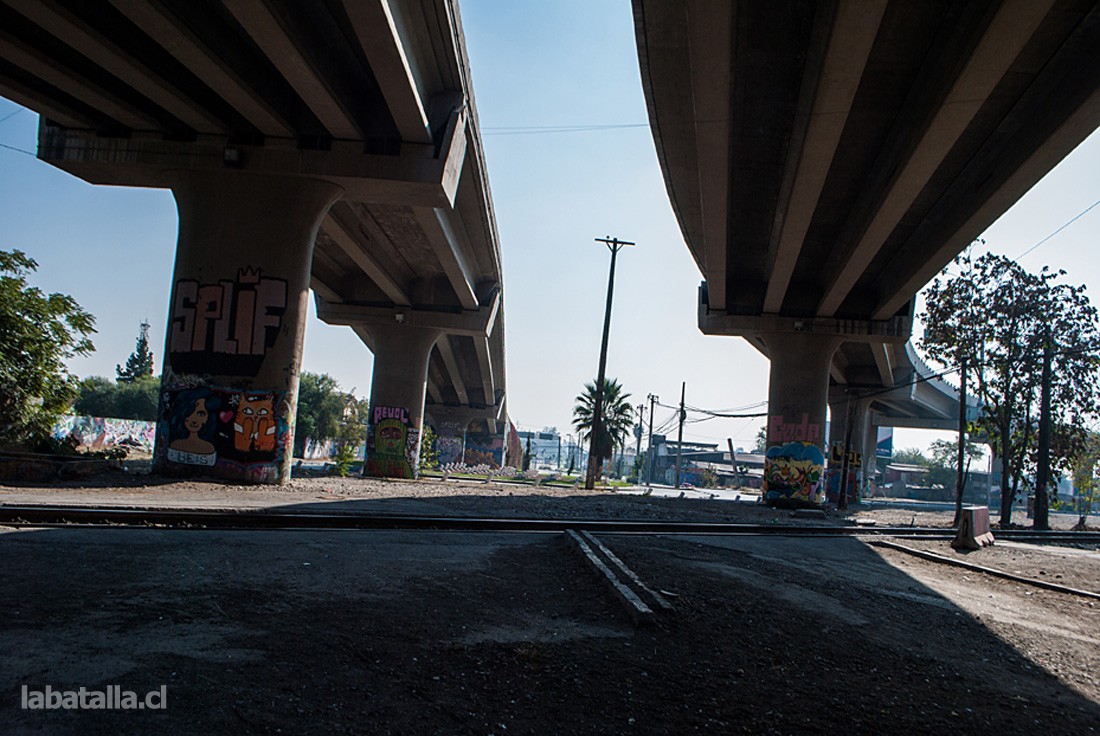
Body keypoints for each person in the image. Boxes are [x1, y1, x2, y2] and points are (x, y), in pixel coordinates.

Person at [167, 389, 220, 467]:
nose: (194, 420)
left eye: (200, 414)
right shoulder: (175, 445)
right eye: (189, 412)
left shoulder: (209, 449)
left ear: (208, 418)